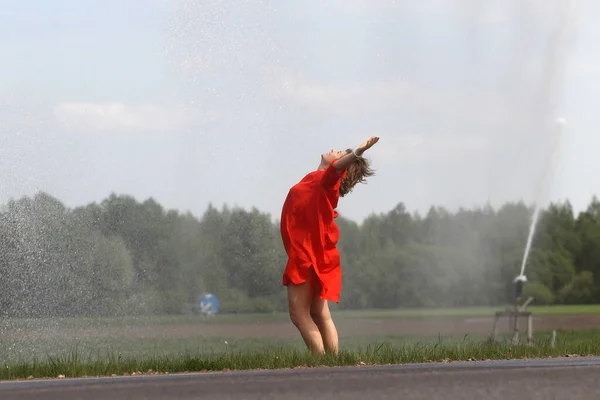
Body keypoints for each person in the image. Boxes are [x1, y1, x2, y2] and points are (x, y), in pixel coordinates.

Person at [280, 136, 379, 354]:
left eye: (339, 152)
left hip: (306, 255)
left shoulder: (327, 181)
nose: (334, 149)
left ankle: (320, 363)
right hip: (312, 253)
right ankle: (334, 364)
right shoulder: (317, 179)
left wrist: (357, 152)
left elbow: (336, 169)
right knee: (319, 313)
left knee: (299, 315)